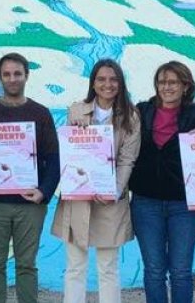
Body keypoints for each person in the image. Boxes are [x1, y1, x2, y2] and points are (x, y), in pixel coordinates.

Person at [0, 52, 60, 303]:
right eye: (7, 74)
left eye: (17, 73)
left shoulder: (40, 113)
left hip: (29, 202)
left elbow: (53, 159)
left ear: (27, 75)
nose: (12, 79)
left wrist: (44, 192)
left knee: (27, 265)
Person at [52, 58, 141, 303]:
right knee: (75, 267)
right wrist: (75, 129)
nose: (107, 84)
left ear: (121, 83)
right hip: (78, 198)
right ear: (93, 82)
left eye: (113, 79)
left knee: (108, 267)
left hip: (110, 199)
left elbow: (127, 159)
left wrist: (114, 190)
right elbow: (68, 152)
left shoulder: (131, 116)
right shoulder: (76, 110)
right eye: (101, 79)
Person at [129, 61, 195, 303]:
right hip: (145, 203)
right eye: (162, 82)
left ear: (185, 86)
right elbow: (118, 136)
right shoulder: (141, 111)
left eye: (173, 82)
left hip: (185, 205)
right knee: (154, 270)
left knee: (181, 271)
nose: (167, 87)